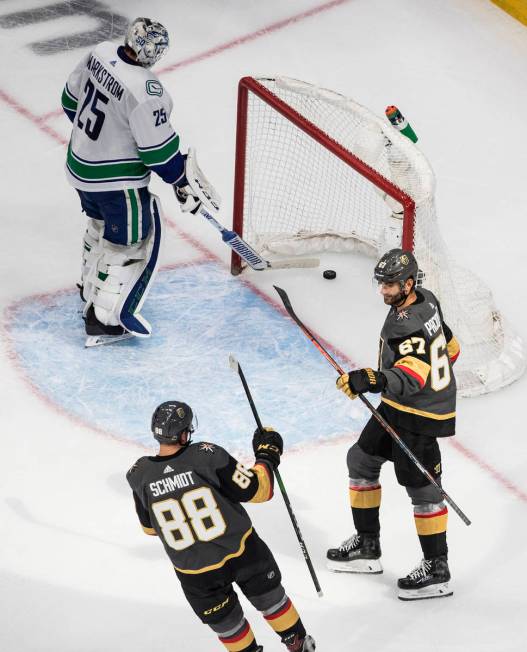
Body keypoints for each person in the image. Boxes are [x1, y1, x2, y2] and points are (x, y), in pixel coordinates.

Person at [61, 17, 212, 346]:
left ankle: (89, 288)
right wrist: (179, 177)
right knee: (127, 244)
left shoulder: (100, 53)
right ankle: (104, 319)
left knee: (99, 224)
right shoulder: (146, 90)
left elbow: (70, 102)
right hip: (116, 182)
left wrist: (100, 142)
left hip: (79, 166)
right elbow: (158, 154)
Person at [126, 401, 316, 652]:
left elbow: (150, 528)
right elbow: (259, 490)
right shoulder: (206, 455)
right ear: (184, 433)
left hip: (196, 574)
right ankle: (299, 645)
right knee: (272, 602)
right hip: (244, 553)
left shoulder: (139, 474)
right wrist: (267, 455)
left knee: (229, 627)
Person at [327, 248, 460, 601]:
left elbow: (411, 376)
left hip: (421, 414)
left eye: (390, 285)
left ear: (408, 283)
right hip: (399, 406)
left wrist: (371, 379)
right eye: (381, 284)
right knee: (361, 460)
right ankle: (367, 545)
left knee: (424, 490)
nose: (383, 292)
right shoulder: (427, 300)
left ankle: (437, 569)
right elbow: (451, 346)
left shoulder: (406, 324)